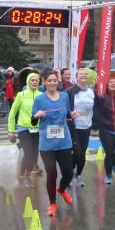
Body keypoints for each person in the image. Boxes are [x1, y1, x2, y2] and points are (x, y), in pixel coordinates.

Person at [32, 70, 78, 216]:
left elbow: (67, 114)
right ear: (44, 82)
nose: (52, 83)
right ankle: (52, 203)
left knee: (68, 173)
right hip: (47, 144)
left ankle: (61, 190)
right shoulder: (39, 100)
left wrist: (72, 115)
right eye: (49, 80)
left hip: (64, 141)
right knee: (51, 174)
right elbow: (33, 121)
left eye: (54, 80)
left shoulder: (64, 96)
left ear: (57, 81)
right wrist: (36, 116)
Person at [8, 71, 41, 186]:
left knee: (34, 154)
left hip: (37, 129)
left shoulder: (41, 95)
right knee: (28, 153)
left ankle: (24, 175)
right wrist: (11, 130)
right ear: (28, 82)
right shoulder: (21, 95)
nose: (35, 82)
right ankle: (25, 176)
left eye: (36, 80)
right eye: (32, 80)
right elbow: (12, 113)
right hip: (23, 128)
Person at [66, 68, 95, 187]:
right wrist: (68, 115)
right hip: (74, 126)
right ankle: (70, 173)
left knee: (82, 153)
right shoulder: (70, 91)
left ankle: (78, 175)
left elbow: (98, 106)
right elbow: (63, 105)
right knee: (76, 152)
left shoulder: (92, 91)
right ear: (76, 77)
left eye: (85, 74)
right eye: (81, 74)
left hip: (86, 126)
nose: (84, 75)